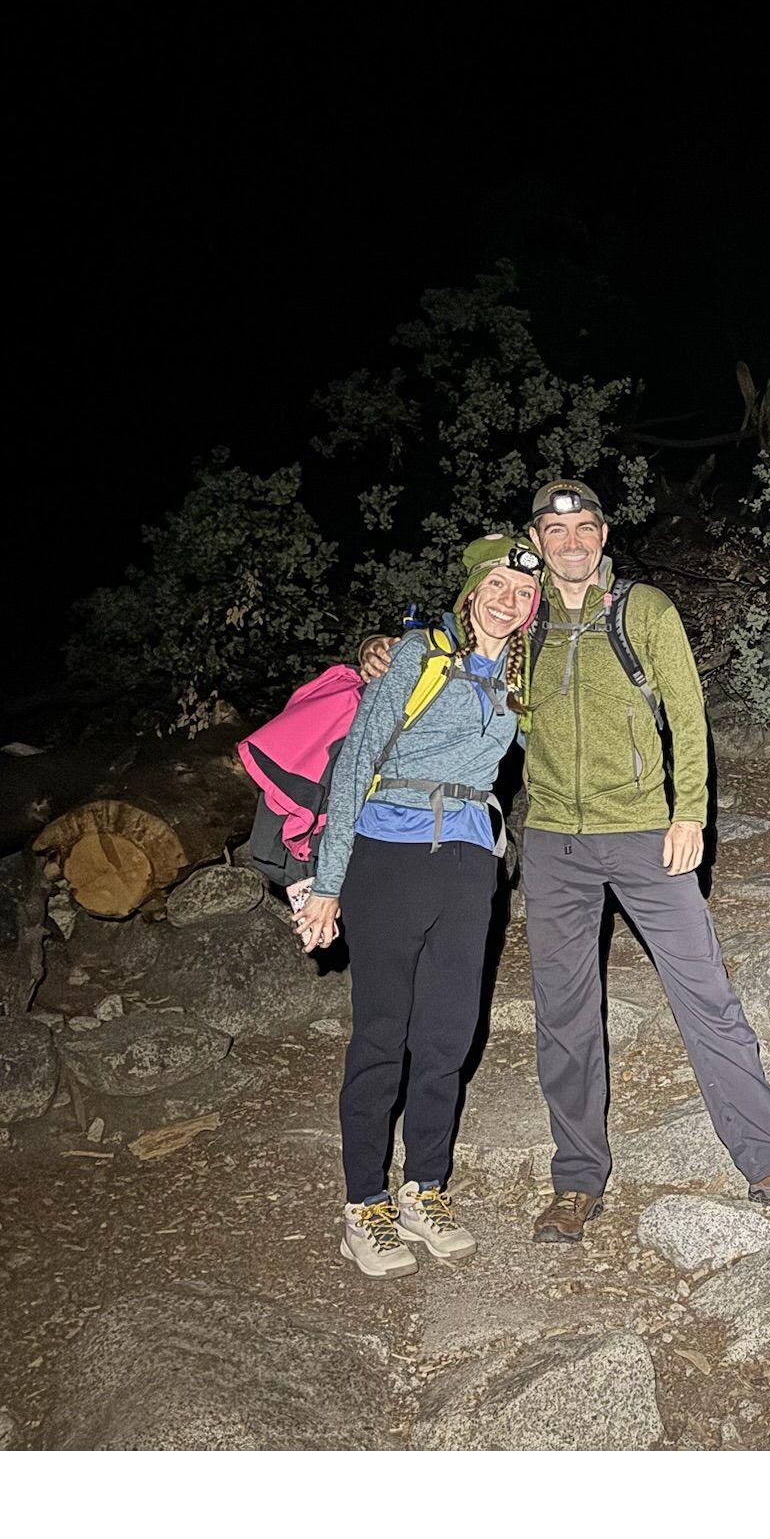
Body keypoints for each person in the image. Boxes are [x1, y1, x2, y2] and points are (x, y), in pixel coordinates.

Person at [367, 479, 770, 1244]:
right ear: (537, 542)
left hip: (645, 832)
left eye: (584, 528)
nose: (571, 542)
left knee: (706, 995)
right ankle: (577, 1178)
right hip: (553, 842)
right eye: (555, 530)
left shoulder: (644, 610)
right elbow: (454, 641)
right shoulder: (524, 619)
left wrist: (689, 813)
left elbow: (687, 715)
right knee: (564, 1014)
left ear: (603, 536)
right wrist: (378, 649)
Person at [300, 535, 540, 1277]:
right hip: (389, 856)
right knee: (382, 1034)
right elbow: (354, 765)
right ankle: (363, 1204)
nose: (507, 602)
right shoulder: (417, 656)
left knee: (447, 1035)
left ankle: (424, 1188)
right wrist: (327, 884)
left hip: (471, 863)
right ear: (471, 592)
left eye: (522, 594)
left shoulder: (523, 678)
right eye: (496, 586)